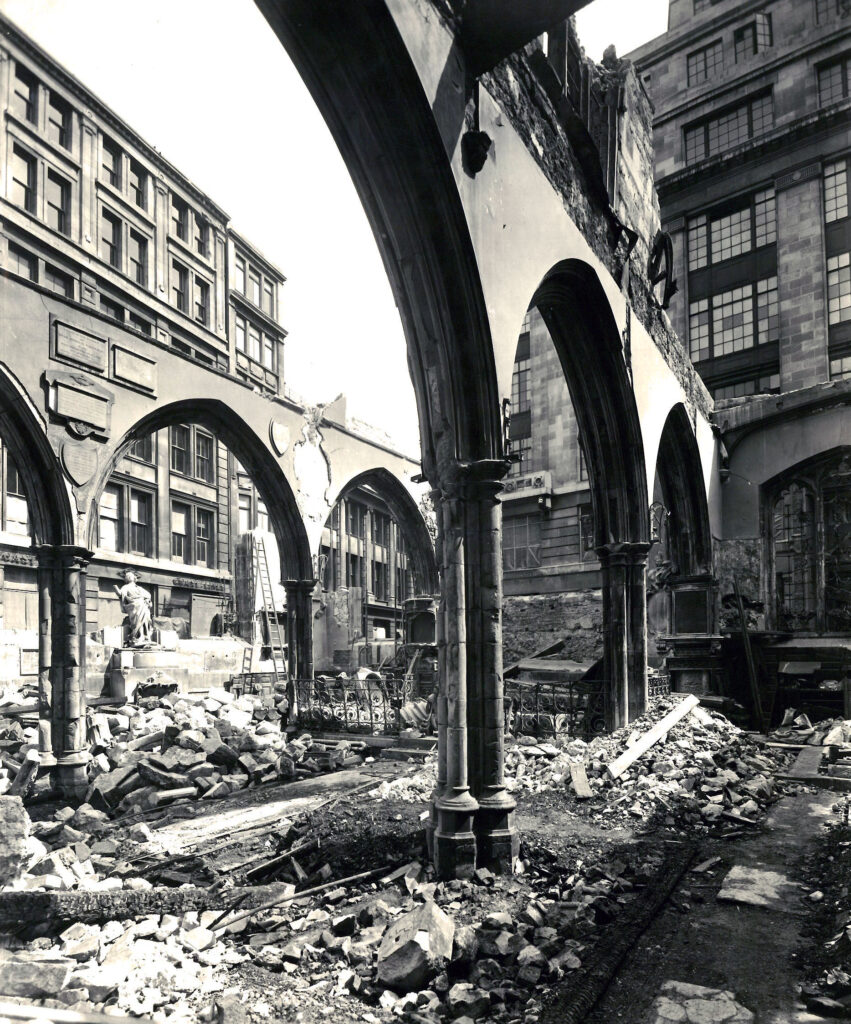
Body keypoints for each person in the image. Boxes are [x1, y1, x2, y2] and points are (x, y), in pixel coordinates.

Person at [114, 571, 153, 647]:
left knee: (145, 621)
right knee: (137, 622)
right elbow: (120, 594)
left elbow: (148, 595)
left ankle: (144, 636)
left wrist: (147, 600)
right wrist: (115, 588)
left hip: (143, 606)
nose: (130, 577)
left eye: (131, 576)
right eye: (128, 576)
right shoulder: (126, 587)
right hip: (134, 607)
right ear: (127, 579)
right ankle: (137, 637)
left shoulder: (139, 587)